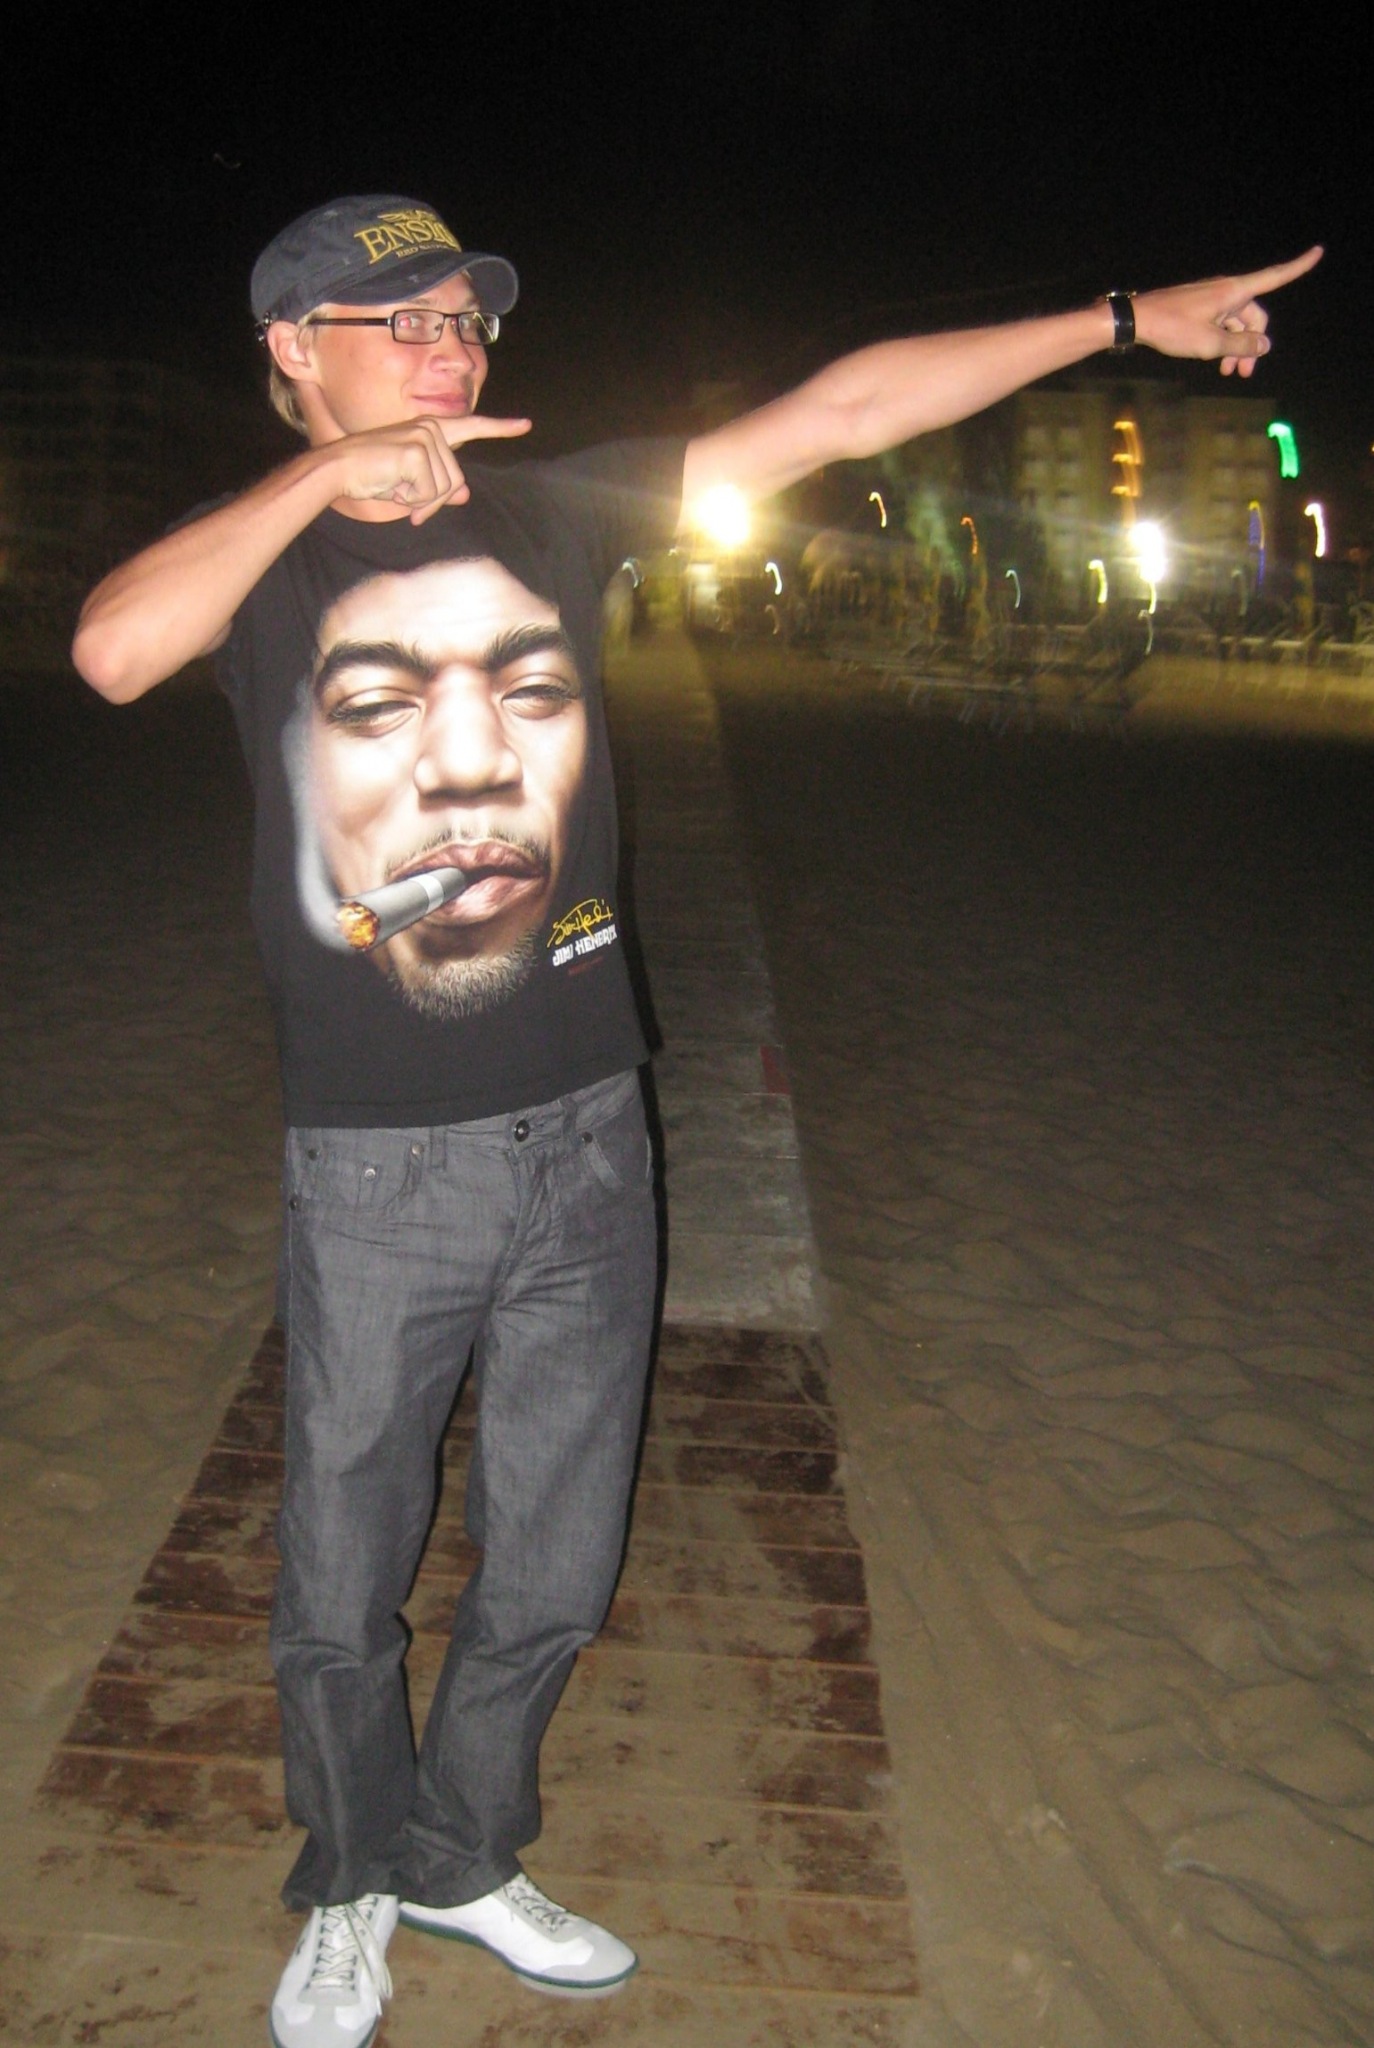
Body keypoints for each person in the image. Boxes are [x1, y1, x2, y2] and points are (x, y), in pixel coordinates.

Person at [72, 194, 1321, 2048]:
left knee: (554, 1561)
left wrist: (1123, 319)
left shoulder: (554, 513)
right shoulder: (261, 559)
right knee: (343, 1576)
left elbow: (840, 413)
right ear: (292, 351)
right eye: (402, 319)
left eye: (466, 318)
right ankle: (345, 1879)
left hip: (591, 1133)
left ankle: (461, 1852)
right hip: (380, 1161)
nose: (450, 346)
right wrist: (319, 480)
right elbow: (111, 651)